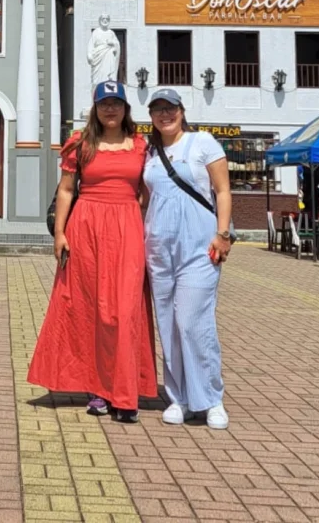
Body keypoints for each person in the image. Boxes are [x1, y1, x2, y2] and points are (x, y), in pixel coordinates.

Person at [27, 80, 157, 423]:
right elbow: (67, 191)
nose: (110, 109)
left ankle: (125, 391)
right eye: (104, 104)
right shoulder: (80, 144)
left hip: (127, 228)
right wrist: (59, 234)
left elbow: (149, 194)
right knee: (91, 309)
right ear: (95, 109)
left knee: (125, 310)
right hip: (85, 228)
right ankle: (98, 390)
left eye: (116, 103)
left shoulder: (141, 146)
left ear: (126, 108)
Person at [143, 88, 233, 429]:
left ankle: (210, 399)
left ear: (182, 111)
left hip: (199, 249)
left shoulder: (203, 142)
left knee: (194, 323)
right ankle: (178, 397)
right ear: (151, 116)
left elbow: (222, 190)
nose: (165, 114)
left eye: (171, 108)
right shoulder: (150, 152)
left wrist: (223, 233)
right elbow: (141, 200)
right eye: (158, 109)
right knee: (167, 323)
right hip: (159, 250)